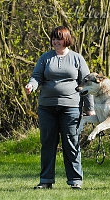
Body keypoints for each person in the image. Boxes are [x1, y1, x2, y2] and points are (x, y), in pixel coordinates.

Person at [25, 26, 95, 190]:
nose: (55, 41)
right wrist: (31, 85)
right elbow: (36, 77)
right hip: (46, 107)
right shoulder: (45, 58)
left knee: (71, 143)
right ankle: (46, 180)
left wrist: (89, 108)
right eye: (53, 39)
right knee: (48, 143)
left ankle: (75, 180)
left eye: (59, 38)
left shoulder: (77, 58)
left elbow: (87, 84)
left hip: (70, 107)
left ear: (67, 39)